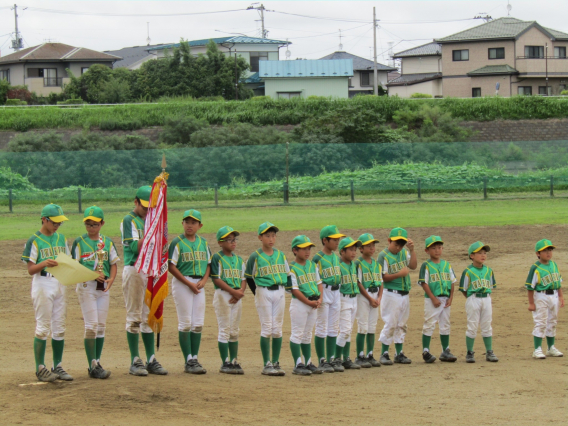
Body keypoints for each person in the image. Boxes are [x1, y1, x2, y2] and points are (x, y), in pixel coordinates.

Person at [21, 204, 73, 382]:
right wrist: (44, 263)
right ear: (44, 219)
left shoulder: (61, 238)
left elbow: (67, 260)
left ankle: (57, 366)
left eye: (60, 222)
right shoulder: (34, 240)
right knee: (43, 327)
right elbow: (30, 269)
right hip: (42, 284)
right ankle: (40, 368)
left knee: (59, 327)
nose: (58, 225)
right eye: (55, 222)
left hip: (59, 283)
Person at [120, 185, 168, 376]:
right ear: (136, 202)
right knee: (134, 316)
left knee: (149, 316)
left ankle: (151, 359)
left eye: (152, 207)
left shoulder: (153, 219)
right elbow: (134, 248)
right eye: (145, 206)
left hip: (150, 271)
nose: (148, 210)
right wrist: (151, 232)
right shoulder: (129, 220)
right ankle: (135, 360)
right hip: (135, 269)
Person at [72, 206, 119, 379]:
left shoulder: (107, 242)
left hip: (103, 287)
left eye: (95, 224)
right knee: (91, 326)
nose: (91, 228)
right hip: (86, 286)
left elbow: (113, 263)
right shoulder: (79, 242)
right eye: (88, 224)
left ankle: (97, 362)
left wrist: (112, 279)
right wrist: (92, 274)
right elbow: (74, 266)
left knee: (101, 326)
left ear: (102, 223)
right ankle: (92, 364)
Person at [245, 222, 291, 376]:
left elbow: (287, 274)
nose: (271, 239)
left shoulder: (281, 255)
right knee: (267, 327)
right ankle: (267, 364)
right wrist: (257, 293)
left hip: (279, 291)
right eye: (267, 235)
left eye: (273, 235)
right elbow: (249, 277)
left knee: (277, 328)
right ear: (260, 237)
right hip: (263, 291)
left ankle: (276, 362)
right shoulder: (255, 256)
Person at [168, 209, 211, 374]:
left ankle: (194, 358)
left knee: (198, 323)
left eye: (193, 222)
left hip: (199, 283)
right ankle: (188, 360)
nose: (190, 225)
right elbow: (171, 266)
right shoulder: (177, 242)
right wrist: (188, 283)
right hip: (182, 283)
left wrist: (204, 280)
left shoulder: (203, 243)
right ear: (182, 223)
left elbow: (208, 264)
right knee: (185, 322)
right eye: (187, 222)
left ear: (200, 225)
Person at [377, 227, 417, 365]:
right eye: (396, 243)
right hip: (391, 293)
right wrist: (399, 274)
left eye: (401, 244)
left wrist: (411, 250)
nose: (398, 247)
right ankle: (384, 353)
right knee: (391, 323)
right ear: (389, 241)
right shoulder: (383, 256)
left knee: (402, 324)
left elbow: (413, 266)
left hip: (404, 294)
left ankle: (399, 353)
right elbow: (382, 277)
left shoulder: (404, 253)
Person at [210, 226, 246, 374]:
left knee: (234, 330)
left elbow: (243, 279)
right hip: (223, 295)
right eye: (229, 240)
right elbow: (216, 279)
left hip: (237, 296)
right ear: (220, 242)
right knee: (224, 329)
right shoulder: (217, 258)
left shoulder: (239, 259)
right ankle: (225, 362)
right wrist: (233, 292)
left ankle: (234, 360)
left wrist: (240, 292)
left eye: (234, 239)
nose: (233, 242)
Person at [417, 236, 457, 364]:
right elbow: (424, 283)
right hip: (432, 300)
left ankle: (445, 350)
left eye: (439, 247)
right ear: (426, 251)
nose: (437, 250)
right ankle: (425, 351)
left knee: (445, 324)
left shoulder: (447, 264)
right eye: (433, 248)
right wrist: (433, 298)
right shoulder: (426, 265)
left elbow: (452, 282)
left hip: (445, 299)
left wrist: (451, 297)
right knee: (429, 323)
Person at [287, 235, 324, 376]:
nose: (307, 251)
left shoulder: (312, 265)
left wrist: (320, 298)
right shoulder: (291, 268)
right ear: (295, 250)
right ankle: (298, 364)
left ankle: (308, 362)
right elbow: (295, 290)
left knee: (307, 335)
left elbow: (319, 283)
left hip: (313, 303)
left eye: (309, 248)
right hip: (300, 304)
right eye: (303, 249)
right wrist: (308, 302)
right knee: (297, 334)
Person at [313, 225, 345, 373]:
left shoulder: (336, 257)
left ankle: (331, 358)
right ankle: (322, 360)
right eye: (334, 239)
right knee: (322, 326)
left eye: (338, 239)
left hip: (336, 292)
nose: (337, 242)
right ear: (325, 240)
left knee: (333, 327)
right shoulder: (317, 258)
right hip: (323, 291)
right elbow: (312, 277)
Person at [459, 241, 498, 363]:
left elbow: (490, 287)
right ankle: (470, 353)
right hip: (473, 299)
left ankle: (489, 352)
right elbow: (464, 289)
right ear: (472, 256)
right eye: (479, 253)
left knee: (487, 325)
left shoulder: (489, 271)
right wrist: (471, 299)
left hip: (486, 299)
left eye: (484, 253)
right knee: (472, 326)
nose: (483, 255)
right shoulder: (468, 271)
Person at [526, 239, 564, 359]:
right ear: (538, 253)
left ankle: (550, 347)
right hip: (541, 296)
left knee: (552, 321)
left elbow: (558, 282)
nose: (548, 253)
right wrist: (531, 303)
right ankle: (537, 349)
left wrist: (561, 296)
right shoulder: (535, 268)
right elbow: (529, 287)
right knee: (541, 322)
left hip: (554, 296)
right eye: (545, 250)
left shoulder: (554, 264)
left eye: (550, 250)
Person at [354, 233, 383, 368]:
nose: (372, 248)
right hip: (363, 297)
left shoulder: (377, 264)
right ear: (361, 249)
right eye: (368, 246)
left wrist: (379, 297)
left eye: (373, 246)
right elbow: (359, 283)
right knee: (363, 326)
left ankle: (370, 354)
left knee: (372, 326)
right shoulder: (358, 264)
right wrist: (370, 298)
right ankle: (360, 355)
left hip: (375, 296)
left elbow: (381, 282)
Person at [335, 237, 363, 370]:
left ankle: (346, 358)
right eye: (351, 250)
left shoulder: (353, 264)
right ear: (342, 251)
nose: (354, 252)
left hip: (353, 299)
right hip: (343, 299)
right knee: (345, 330)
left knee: (349, 330)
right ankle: (336, 358)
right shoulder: (338, 266)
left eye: (355, 250)